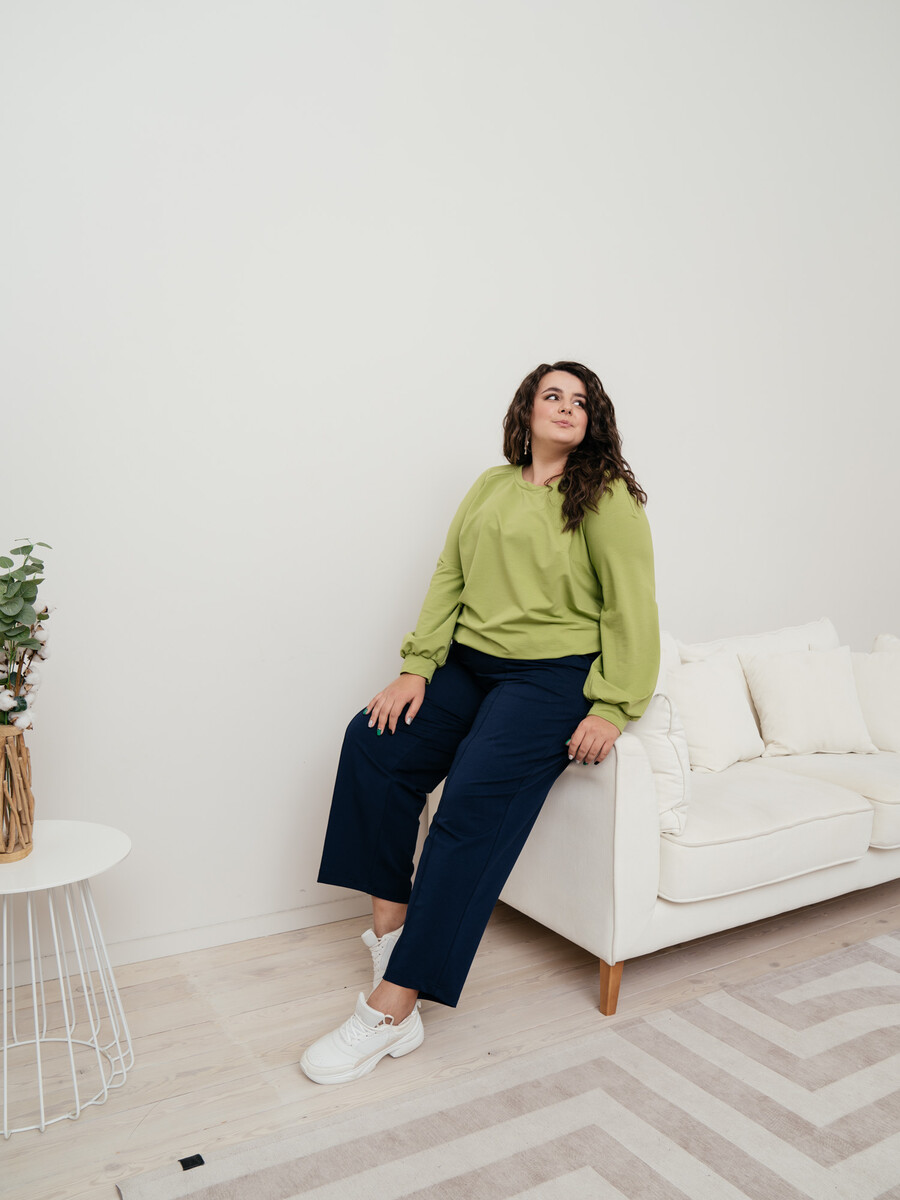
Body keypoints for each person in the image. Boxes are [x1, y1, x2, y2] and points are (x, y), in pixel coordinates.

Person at [300, 360, 661, 1084]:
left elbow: (632, 603)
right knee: (372, 743)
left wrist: (614, 705)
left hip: (552, 676)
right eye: (552, 395)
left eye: (580, 401)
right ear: (527, 411)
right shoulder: (491, 486)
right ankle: (392, 935)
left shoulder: (605, 495)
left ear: (593, 421)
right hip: (470, 662)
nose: (566, 407)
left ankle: (394, 1008)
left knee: (467, 803)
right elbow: (450, 575)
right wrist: (417, 665)